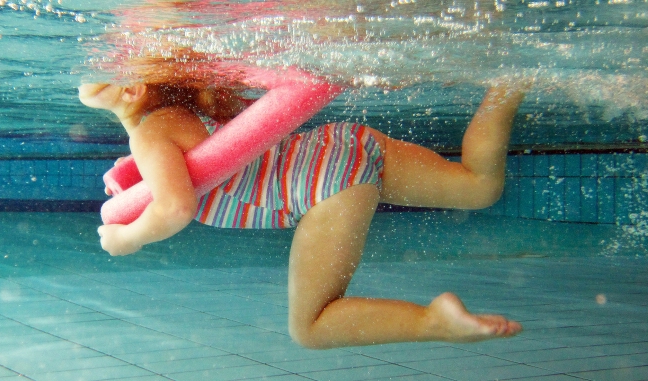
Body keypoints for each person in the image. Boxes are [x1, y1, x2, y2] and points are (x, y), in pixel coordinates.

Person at [78, 75, 529, 349]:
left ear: (132, 87)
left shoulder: (152, 133)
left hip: (324, 187)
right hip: (342, 144)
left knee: (311, 328)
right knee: (479, 185)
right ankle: (509, 85)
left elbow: (175, 207)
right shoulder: (184, 115)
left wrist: (127, 238)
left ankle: (436, 322)